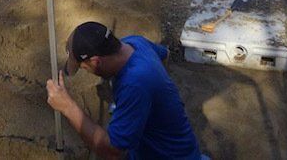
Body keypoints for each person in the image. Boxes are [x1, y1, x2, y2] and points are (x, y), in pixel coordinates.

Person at [46, 21, 202, 160]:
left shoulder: (135, 85)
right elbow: (164, 54)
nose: (87, 71)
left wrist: (67, 107)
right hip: (154, 146)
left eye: (84, 67)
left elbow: (112, 152)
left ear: (96, 62)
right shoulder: (134, 43)